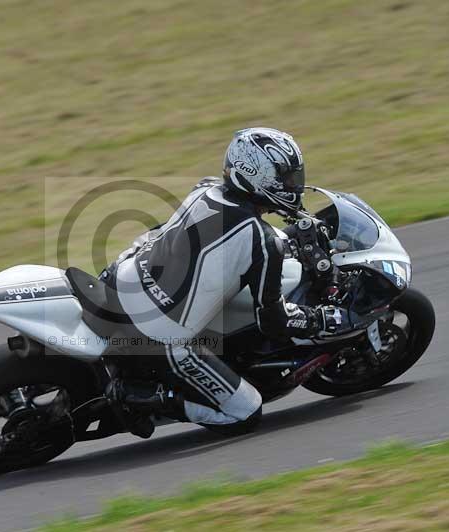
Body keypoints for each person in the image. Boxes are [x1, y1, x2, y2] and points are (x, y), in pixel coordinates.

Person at [100, 127, 349, 433]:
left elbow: (173, 235)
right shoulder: (263, 242)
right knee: (246, 412)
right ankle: (144, 398)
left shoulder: (204, 190)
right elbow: (274, 320)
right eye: (287, 178)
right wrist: (321, 320)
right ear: (258, 176)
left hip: (120, 281)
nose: (294, 186)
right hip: (157, 340)